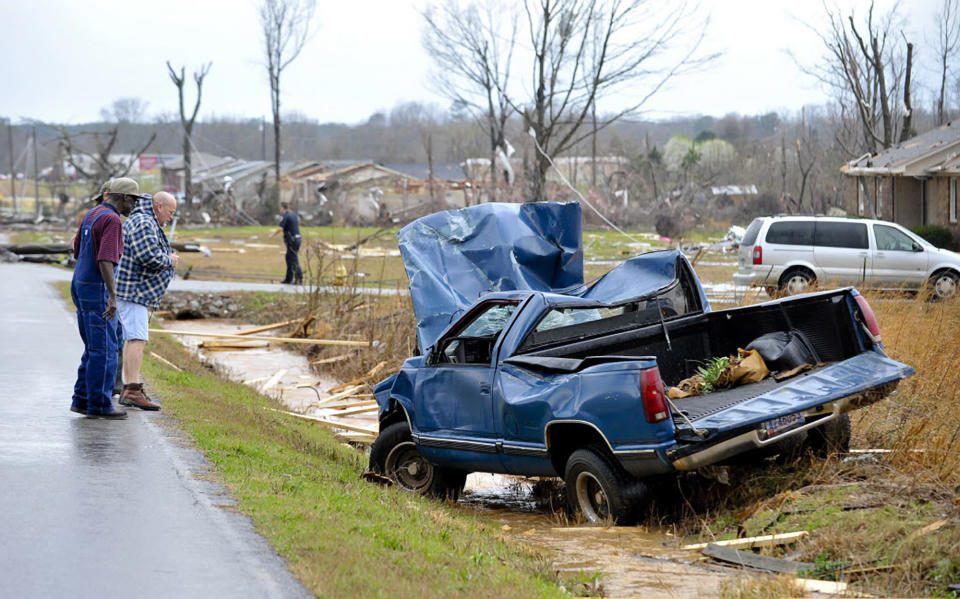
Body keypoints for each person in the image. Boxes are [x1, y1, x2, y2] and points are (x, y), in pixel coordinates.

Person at [70, 178, 141, 419]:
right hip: (97, 289)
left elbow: (77, 248)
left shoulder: (92, 214)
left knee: (94, 346)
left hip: (80, 283)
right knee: (106, 349)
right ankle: (99, 405)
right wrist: (112, 296)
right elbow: (105, 259)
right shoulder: (112, 220)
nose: (134, 206)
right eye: (133, 200)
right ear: (124, 198)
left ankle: (81, 400)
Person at [116, 191, 179, 410]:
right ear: (159, 206)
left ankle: (128, 387)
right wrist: (169, 260)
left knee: (133, 337)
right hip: (134, 291)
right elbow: (149, 257)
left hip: (134, 291)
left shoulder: (144, 219)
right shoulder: (144, 222)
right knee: (137, 338)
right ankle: (132, 390)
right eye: (170, 212)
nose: (170, 217)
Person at [269, 202, 302, 284]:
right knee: (288, 258)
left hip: (292, 240)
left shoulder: (286, 216)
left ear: (283, 208)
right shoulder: (293, 215)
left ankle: (299, 279)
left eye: (280, 208)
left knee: (293, 259)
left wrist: (272, 235)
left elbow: (280, 228)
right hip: (297, 238)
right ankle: (288, 279)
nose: (280, 209)